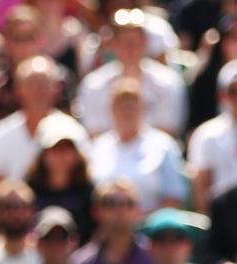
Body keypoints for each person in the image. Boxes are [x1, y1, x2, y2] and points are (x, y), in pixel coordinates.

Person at [77, 8, 187, 137]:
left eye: (134, 41)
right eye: (124, 42)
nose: (130, 48)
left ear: (145, 43)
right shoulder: (94, 84)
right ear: (113, 44)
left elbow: (169, 130)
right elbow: (93, 132)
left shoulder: (168, 82)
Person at [88, 77, 188, 213]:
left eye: (132, 105)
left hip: (151, 229)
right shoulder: (99, 147)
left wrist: (139, 221)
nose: (127, 110)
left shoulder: (163, 144)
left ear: (142, 108)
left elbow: (174, 197)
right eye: (121, 105)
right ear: (111, 109)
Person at [0, 55, 84, 181]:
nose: (38, 91)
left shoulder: (74, 132)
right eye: (31, 83)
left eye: (44, 83)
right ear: (18, 90)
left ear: (57, 88)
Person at [72, 180, 153, 264]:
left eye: (128, 203)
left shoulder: (154, 259)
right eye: (110, 203)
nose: (120, 209)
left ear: (138, 210)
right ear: (96, 212)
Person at [24, 114, 95, 244]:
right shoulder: (28, 190)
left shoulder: (89, 191)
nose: (61, 156)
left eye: (67, 149)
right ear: (43, 154)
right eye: (55, 149)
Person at [189, 59, 237, 215]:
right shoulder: (207, 135)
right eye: (234, 91)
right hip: (224, 222)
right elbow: (202, 191)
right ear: (222, 95)